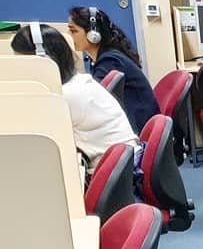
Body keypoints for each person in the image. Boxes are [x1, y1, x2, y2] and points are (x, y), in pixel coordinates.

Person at [11, 23, 138, 175]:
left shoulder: (67, 97)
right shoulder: (80, 82)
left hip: (111, 174)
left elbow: (32, 138)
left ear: (44, 61)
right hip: (121, 169)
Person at [68, 6, 160, 133]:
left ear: (92, 34)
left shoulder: (109, 61)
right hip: (137, 122)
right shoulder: (105, 58)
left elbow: (93, 102)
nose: (70, 36)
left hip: (138, 128)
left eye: (74, 31)